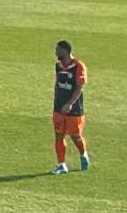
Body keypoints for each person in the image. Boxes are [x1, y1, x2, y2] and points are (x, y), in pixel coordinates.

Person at [50, 39, 90, 174]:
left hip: (74, 109)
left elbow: (80, 87)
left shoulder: (79, 66)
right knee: (58, 135)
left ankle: (83, 154)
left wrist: (70, 104)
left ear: (65, 51)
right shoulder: (58, 65)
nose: (55, 52)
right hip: (59, 108)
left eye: (57, 49)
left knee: (75, 136)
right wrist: (56, 101)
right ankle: (61, 164)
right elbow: (57, 83)